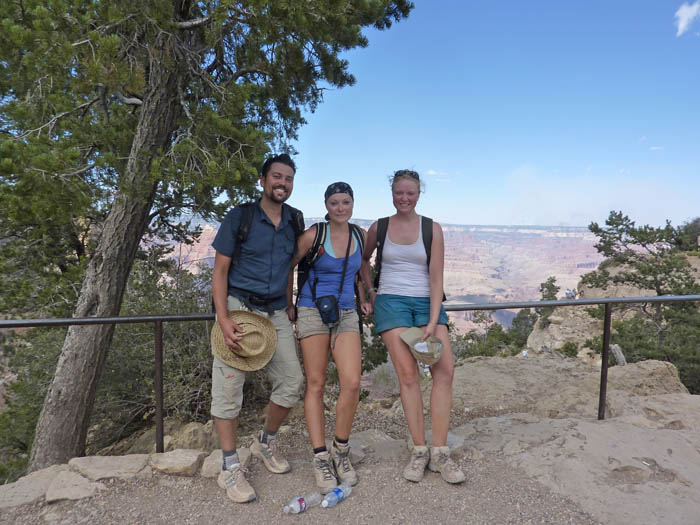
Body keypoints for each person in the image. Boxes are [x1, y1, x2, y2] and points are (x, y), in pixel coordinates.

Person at [359, 169, 466, 484]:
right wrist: (371, 291)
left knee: (444, 371)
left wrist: (433, 321)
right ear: (392, 193)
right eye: (399, 193)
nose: (404, 198)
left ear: (419, 194)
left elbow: (436, 277)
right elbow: (363, 260)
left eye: (410, 193)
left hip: (425, 304)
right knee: (408, 375)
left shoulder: (432, 229)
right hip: (391, 303)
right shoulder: (379, 227)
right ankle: (420, 450)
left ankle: (440, 452)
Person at [210, 153, 304, 503]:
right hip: (240, 308)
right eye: (277, 176)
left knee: (292, 381)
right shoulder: (241, 216)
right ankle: (229, 466)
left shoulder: (294, 219)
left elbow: (290, 264)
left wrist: (290, 301)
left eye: (288, 178)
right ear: (263, 180)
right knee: (229, 387)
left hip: (276, 310)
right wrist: (224, 318)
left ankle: (264, 442)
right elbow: (220, 271)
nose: (282, 183)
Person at [288, 182, 371, 493]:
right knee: (316, 383)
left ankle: (341, 449)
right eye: (335, 202)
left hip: (346, 311)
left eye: (345, 202)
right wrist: (288, 303)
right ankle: (320, 456)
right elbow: (289, 265)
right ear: (326, 205)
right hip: (312, 309)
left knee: (352, 382)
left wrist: (367, 293)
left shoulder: (360, 235)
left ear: (353, 204)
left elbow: (362, 266)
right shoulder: (314, 235)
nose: (340, 208)